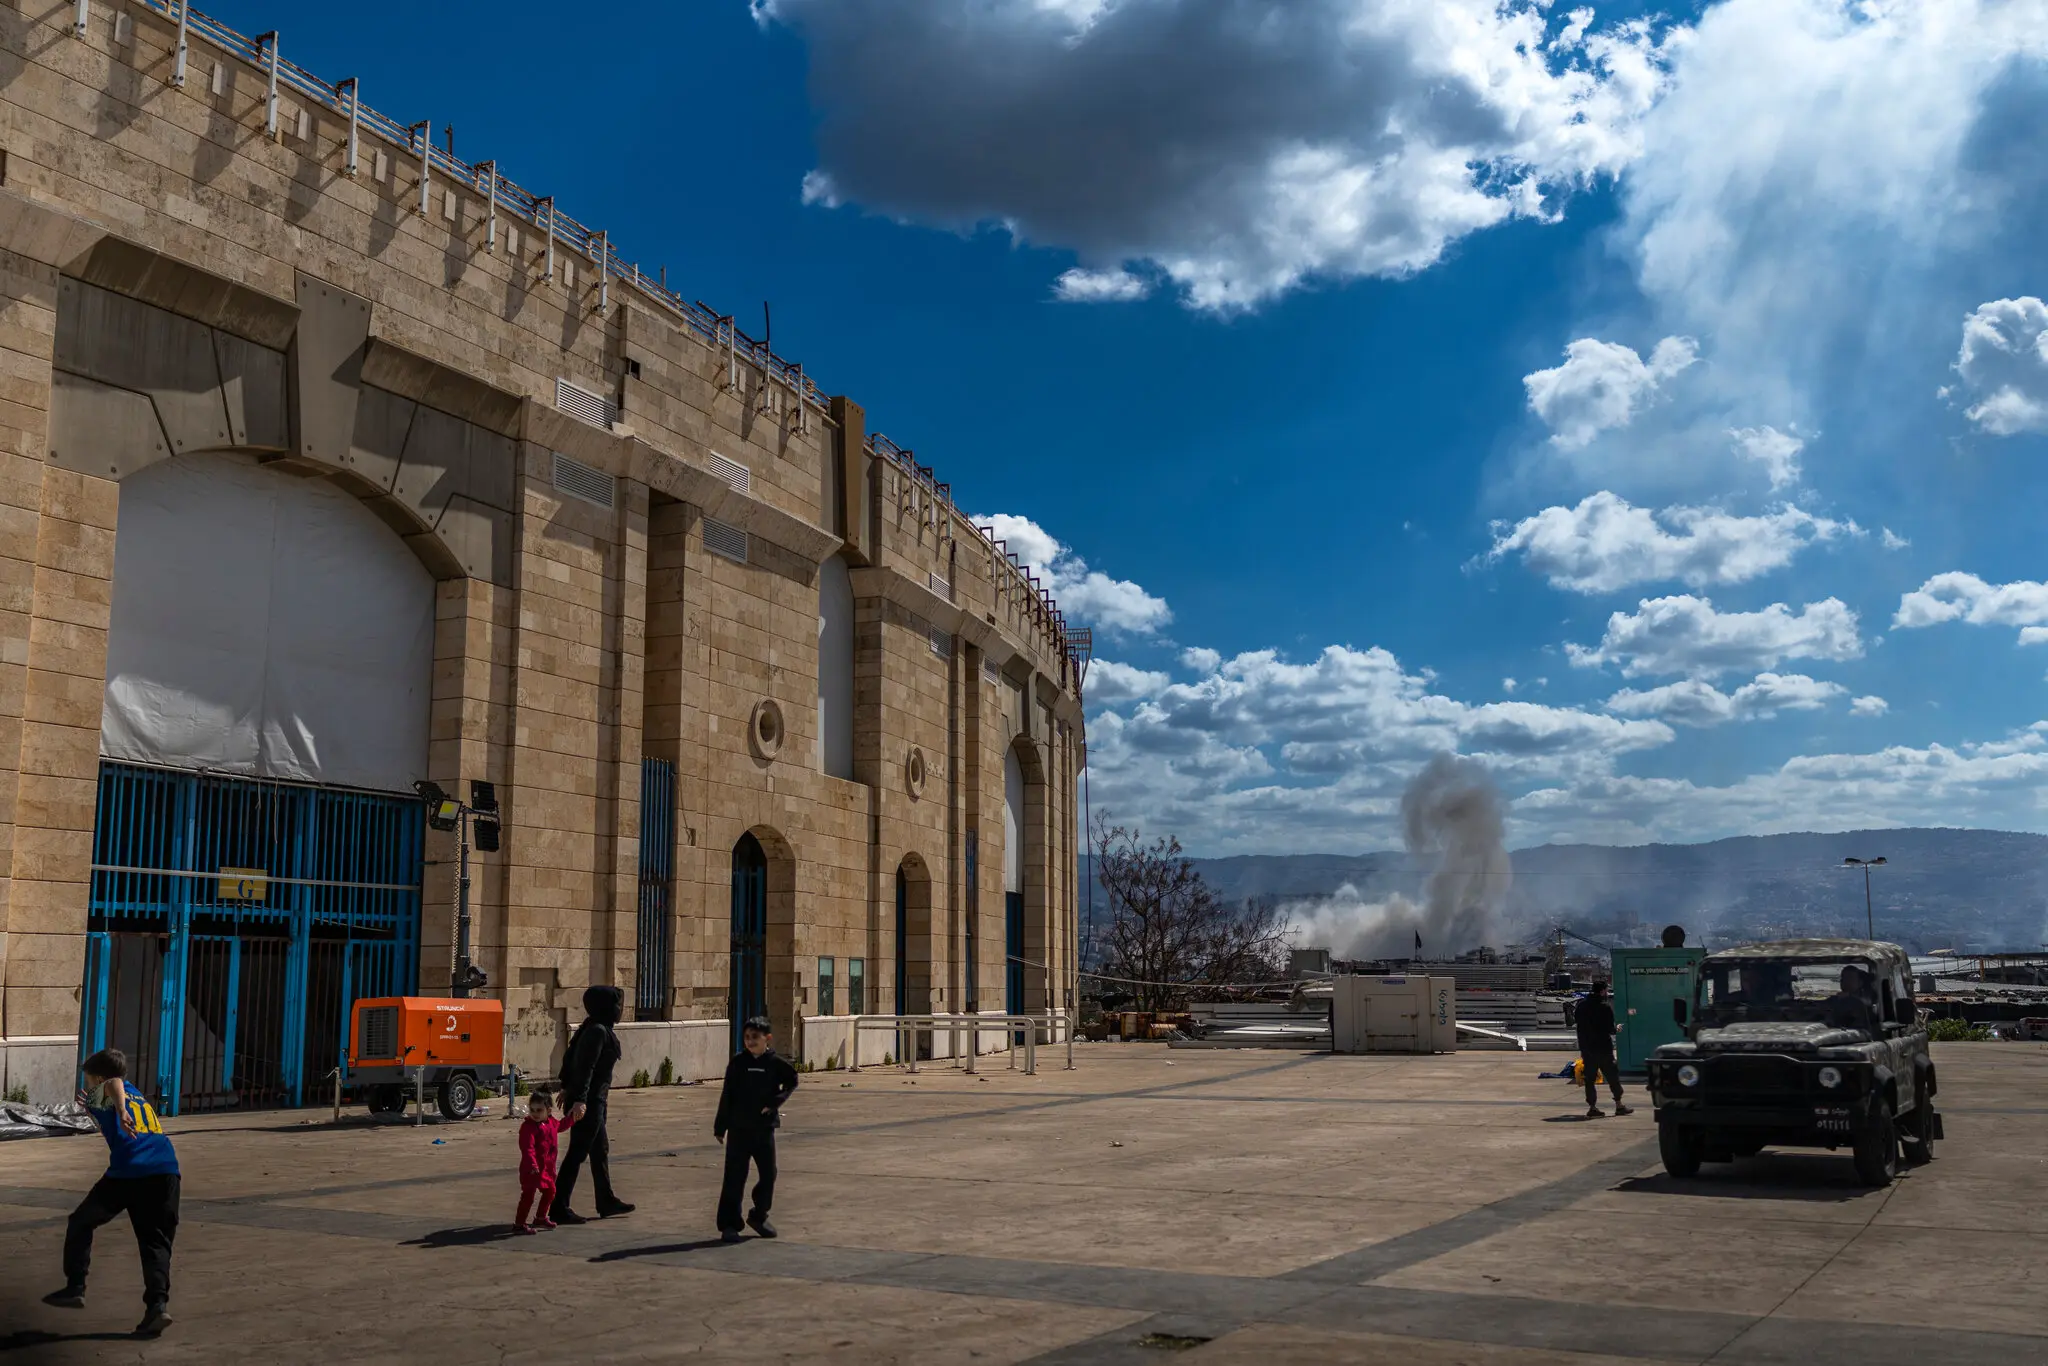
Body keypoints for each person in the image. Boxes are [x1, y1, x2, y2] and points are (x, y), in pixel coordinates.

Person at [42, 1048, 179, 1337]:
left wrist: (118, 1108)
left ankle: (75, 1286)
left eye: (90, 1080)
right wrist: (106, 1110)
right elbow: (116, 1091)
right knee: (155, 1243)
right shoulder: (135, 1093)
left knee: (81, 1221)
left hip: (131, 1171)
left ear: (100, 1077)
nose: (89, 1086)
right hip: (167, 1170)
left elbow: (112, 1084)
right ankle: (157, 1306)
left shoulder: (109, 1088)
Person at [550, 985, 635, 1224]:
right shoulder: (597, 1031)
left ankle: (606, 1201)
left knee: (600, 1151)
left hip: (594, 1101)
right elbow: (585, 1066)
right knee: (577, 1153)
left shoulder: (595, 1027)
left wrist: (568, 1087)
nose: (620, 1010)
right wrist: (579, 1099)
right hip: (589, 1103)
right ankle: (558, 1206)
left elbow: (571, 1058)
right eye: (617, 1005)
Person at [714, 1015, 799, 1242]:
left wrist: (775, 1102)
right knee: (734, 1176)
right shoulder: (737, 1063)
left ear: (767, 1039)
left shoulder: (775, 1063)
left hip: (763, 1129)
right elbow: (727, 1095)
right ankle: (730, 1224)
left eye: (755, 1037)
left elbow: (792, 1081)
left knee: (768, 1174)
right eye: (747, 1037)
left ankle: (759, 1215)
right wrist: (720, 1127)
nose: (750, 1041)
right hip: (739, 1129)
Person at [1575, 980, 1632, 1119]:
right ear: (1602, 991)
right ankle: (1619, 1105)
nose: (1607, 993)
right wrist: (1617, 1028)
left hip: (1587, 1049)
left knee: (1590, 1079)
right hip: (1603, 1049)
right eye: (1606, 991)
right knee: (1612, 1077)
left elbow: (1579, 1025)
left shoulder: (1581, 1006)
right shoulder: (1604, 1007)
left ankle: (1592, 1108)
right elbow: (1610, 1029)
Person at [515, 1090, 569, 1234]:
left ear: (549, 1111)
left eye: (539, 1110)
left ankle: (540, 1217)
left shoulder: (551, 1123)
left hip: (547, 1169)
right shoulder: (528, 1127)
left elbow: (561, 1125)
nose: (535, 1113)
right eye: (532, 1110)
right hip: (531, 1169)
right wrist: (532, 1163)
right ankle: (519, 1224)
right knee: (528, 1196)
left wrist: (573, 1118)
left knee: (550, 1191)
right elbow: (528, 1148)